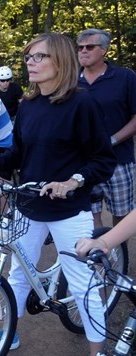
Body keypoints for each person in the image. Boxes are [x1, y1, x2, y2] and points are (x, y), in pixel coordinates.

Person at [0, 32, 116, 356]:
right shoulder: (29, 104)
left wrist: (73, 181)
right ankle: (9, 332)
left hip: (68, 209)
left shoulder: (83, 104)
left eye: (39, 57)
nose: (30, 63)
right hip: (29, 206)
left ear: (60, 60)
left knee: (83, 285)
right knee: (19, 273)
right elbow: (20, 153)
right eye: (28, 58)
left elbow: (103, 159)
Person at [77, 28, 136, 229]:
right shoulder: (70, 81)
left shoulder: (124, 77)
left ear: (104, 50)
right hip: (82, 162)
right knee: (89, 213)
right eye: (80, 47)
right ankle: (97, 259)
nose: (83, 51)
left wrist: (110, 140)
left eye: (89, 47)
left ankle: (118, 255)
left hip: (118, 160)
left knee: (122, 213)